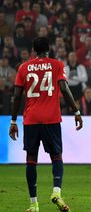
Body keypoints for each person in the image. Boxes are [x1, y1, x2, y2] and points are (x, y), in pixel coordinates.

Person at [9, 37, 83, 212]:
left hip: (31, 119)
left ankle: (33, 204)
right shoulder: (57, 65)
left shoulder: (23, 67)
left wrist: (13, 121)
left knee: (31, 160)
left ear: (34, 49)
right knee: (56, 157)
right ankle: (56, 192)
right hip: (51, 119)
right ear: (49, 49)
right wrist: (76, 111)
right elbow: (64, 89)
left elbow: (17, 96)